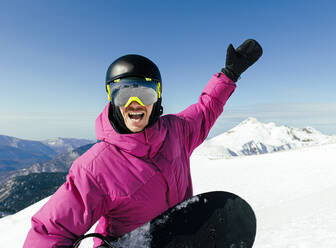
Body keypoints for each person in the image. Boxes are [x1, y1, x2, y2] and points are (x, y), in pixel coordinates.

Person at [23, 39, 263, 247]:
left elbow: (205, 109)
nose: (134, 103)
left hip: (180, 238)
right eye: (123, 94)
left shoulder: (176, 131)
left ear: (157, 98)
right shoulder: (95, 168)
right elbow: (50, 231)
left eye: (145, 94)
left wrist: (229, 75)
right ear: (112, 99)